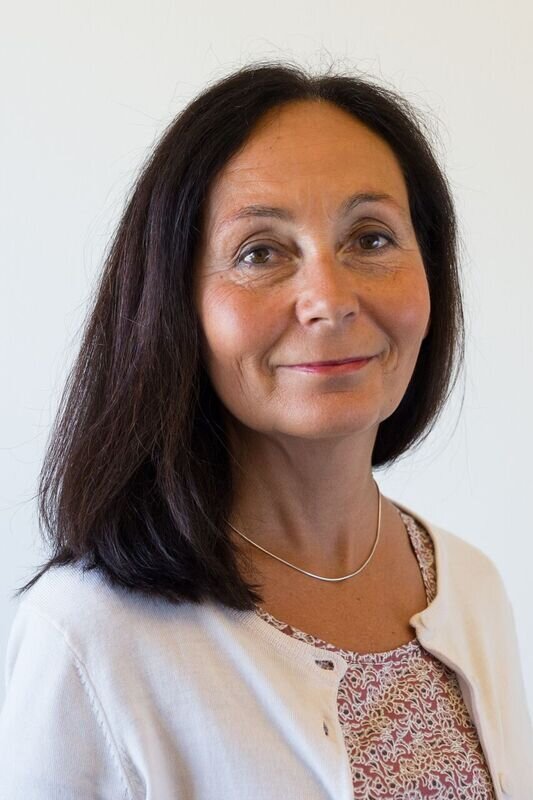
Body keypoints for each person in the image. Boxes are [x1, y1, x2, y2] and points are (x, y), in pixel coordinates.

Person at [0, 61, 531, 799]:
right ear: (175, 306)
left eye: (371, 238)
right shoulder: (89, 636)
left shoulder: (471, 587)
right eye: (260, 252)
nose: (329, 299)